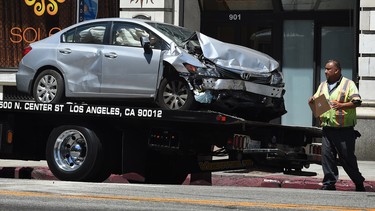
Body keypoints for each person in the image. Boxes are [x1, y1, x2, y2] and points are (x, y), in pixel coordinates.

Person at [308, 59, 365, 191]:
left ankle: (358, 182)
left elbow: (357, 102)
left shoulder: (348, 84)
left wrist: (341, 105)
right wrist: (311, 103)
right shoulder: (322, 86)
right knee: (327, 157)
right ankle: (329, 183)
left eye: (328, 69)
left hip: (344, 130)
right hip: (328, 129)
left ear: (337, 70)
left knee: (347, 159)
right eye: (325, 69)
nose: (325, 71)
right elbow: (319, 109)